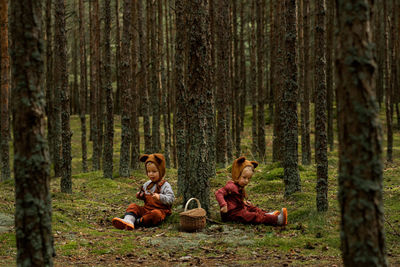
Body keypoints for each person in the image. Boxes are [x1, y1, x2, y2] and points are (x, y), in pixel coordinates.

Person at [215, 156, 287, 226]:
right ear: (237, 174)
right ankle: (276, 220)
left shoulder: (239, 186)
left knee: (252, 208)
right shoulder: (231, 186)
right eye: (244, 177)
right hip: (231, 214)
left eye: (249, 179)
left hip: (239, 209)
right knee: (253, 216)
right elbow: (219, 193)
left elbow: (233, 200)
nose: (246, 181)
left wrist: (243, 202)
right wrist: (223, 205)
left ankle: (267, 214)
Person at [112, 153, 175, 230]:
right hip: (146, 210)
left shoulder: (165, 185)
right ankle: (128, 220)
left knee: (156, 214)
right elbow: (145, 197)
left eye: (154, 171)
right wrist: (141, 196)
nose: (151, 174)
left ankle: (137, 222)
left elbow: (171, 199)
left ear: (161, 171)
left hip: (160, 211)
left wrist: (160, 197)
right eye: (148, 172)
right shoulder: (147, 184)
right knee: (133, 206)